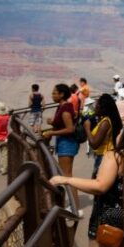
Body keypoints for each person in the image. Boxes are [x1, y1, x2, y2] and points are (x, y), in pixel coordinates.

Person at [43, 83, 82, 218]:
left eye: (54, 93)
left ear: (61, 94)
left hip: (67, 143)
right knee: (66, 174)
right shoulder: (62, 106)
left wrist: (51, 133)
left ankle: (76, 208)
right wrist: (52, 123)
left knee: (67, 176)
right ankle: (72, 205)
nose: (52, 95)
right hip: (64, 142)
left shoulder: (65, 108)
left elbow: (70, 128)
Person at [86, 94, 123, 177]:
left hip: (103, 156)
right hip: (105, 154)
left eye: (97, 105)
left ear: (102, 108)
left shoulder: (105, 123)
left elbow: (94, 144)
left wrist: (87, 128)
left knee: (97, 181)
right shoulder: (106, 120)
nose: (95, 107)